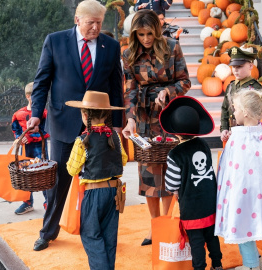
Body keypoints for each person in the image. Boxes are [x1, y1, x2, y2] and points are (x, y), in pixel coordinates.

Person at [28, 0, 124, 251]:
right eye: (91, 22)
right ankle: (48, 231)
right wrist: (36, 113)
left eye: (99, 23)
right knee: (58, 181)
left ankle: (93, 232)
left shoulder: (111, 46)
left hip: (98, 126)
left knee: (98, 181)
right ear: (77, 20)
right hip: (62, 123)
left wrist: (116, 125)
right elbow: (42, 81)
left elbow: (116, 87)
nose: (95, 27)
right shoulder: (55, 41)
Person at [121, 9, 191, 246]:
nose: (146, 39)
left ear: (157, 30)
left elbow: (185, 81)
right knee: (149, 176)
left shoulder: (172, 47)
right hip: (143, 118)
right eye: (141, 34)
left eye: (150, 33)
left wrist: (168, 90)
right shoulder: (129, 54)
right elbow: (130, 90)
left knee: (170, 173)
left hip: (170, 117)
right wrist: (130, 119)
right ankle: (155, 226)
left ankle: (169, 224)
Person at [216, 90, 262, 270]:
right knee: (247, 227)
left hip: (241, 193)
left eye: (237, 109)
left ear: (246, 112)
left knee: (242, 227)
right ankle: (257, 261)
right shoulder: (260, 134)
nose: (234, 113)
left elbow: (234, 169)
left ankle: (252, 266)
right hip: (258, 193)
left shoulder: (241, 137)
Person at [65, 91, 127, 270]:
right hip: (114, 192)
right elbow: (122, 160)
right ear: (106, 114)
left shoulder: (82, 140)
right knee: (109, 237)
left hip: (93, 194)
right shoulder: (115, 136)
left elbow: (72, 169)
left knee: (91, 236)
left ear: (85, 115)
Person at [161, 96, 223, 270]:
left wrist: (172, 189)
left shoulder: (175, 154)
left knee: (196, 241)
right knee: (211, 236)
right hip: (210, 201)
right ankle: (217, 264)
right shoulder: (203, 144)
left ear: (175, 131)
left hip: (191, 206)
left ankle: (199, 267)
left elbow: (172, 184)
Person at [11, 82, 49, 215]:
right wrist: (21, 138)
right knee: (24, 173)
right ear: (28, 96)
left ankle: (48, 202)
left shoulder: (44, 113)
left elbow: (46, 130)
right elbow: (15, 129)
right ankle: (27, 202)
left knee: (44, 172)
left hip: (40, 147)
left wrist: (33, 137)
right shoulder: (19, 114)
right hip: (26, 148)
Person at [220, 46, 262, 142]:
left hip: (248, 136)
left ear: (251, 66)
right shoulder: (231, 86)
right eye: (233, 66)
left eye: (239, 66)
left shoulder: (256, 88)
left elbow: (260, 114)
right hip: (231, 134)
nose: (235, 70)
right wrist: (224, 129)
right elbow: (225, 109)